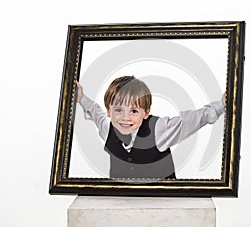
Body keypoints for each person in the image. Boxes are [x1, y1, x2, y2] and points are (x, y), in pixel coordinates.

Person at [76, 76, 225, 179]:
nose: (125, 118)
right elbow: (95, 112)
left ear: (146, 112)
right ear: (109, 111)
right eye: (118, 110)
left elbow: (191, 121)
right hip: (124, 203)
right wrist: (81, 98)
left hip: (164, 204)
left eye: (134, 111)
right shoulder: (108, 128)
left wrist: (221, 105)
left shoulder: (159, 129)